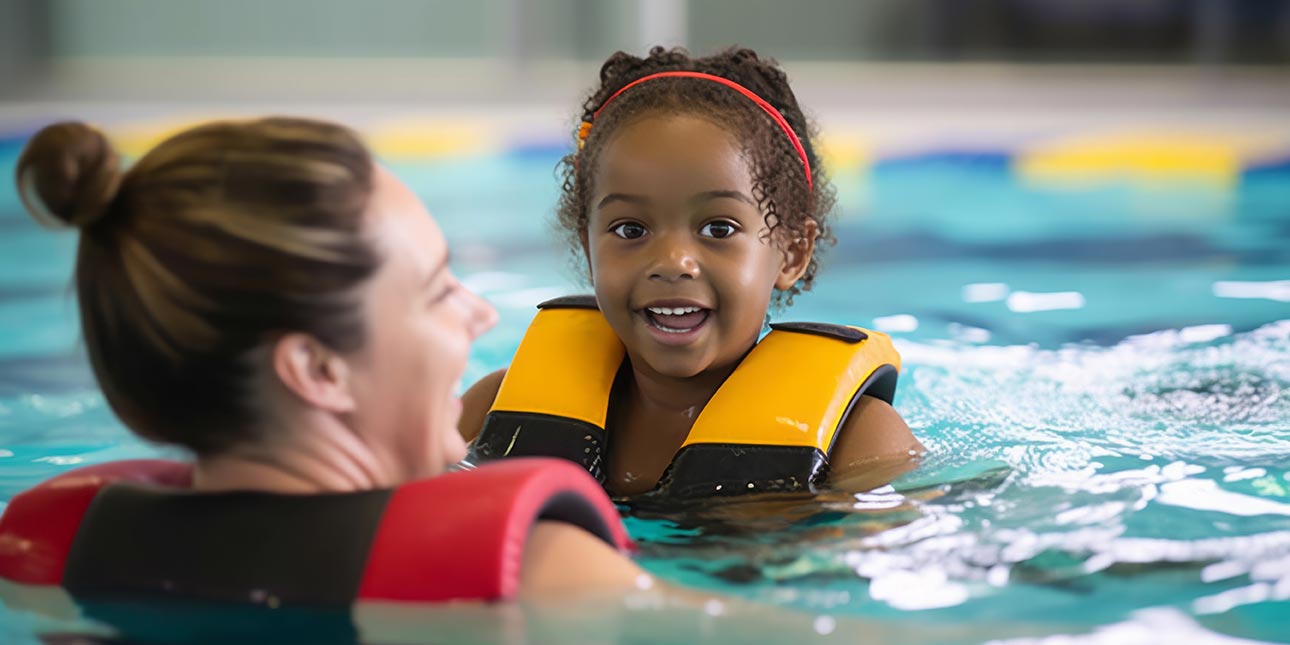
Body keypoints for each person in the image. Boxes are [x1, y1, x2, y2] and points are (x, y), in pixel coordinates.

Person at [0, 118, 649, 624]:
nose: (479, 313)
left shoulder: (52, 553)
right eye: (437, 290)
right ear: (317, 369)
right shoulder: (539, 571)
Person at [459, 47, 925, 499]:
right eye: (630, 228)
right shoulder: (494, 412)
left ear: (791, 252)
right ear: (588, 245)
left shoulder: (860, 445)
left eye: (718, 228)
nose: (672, 262)